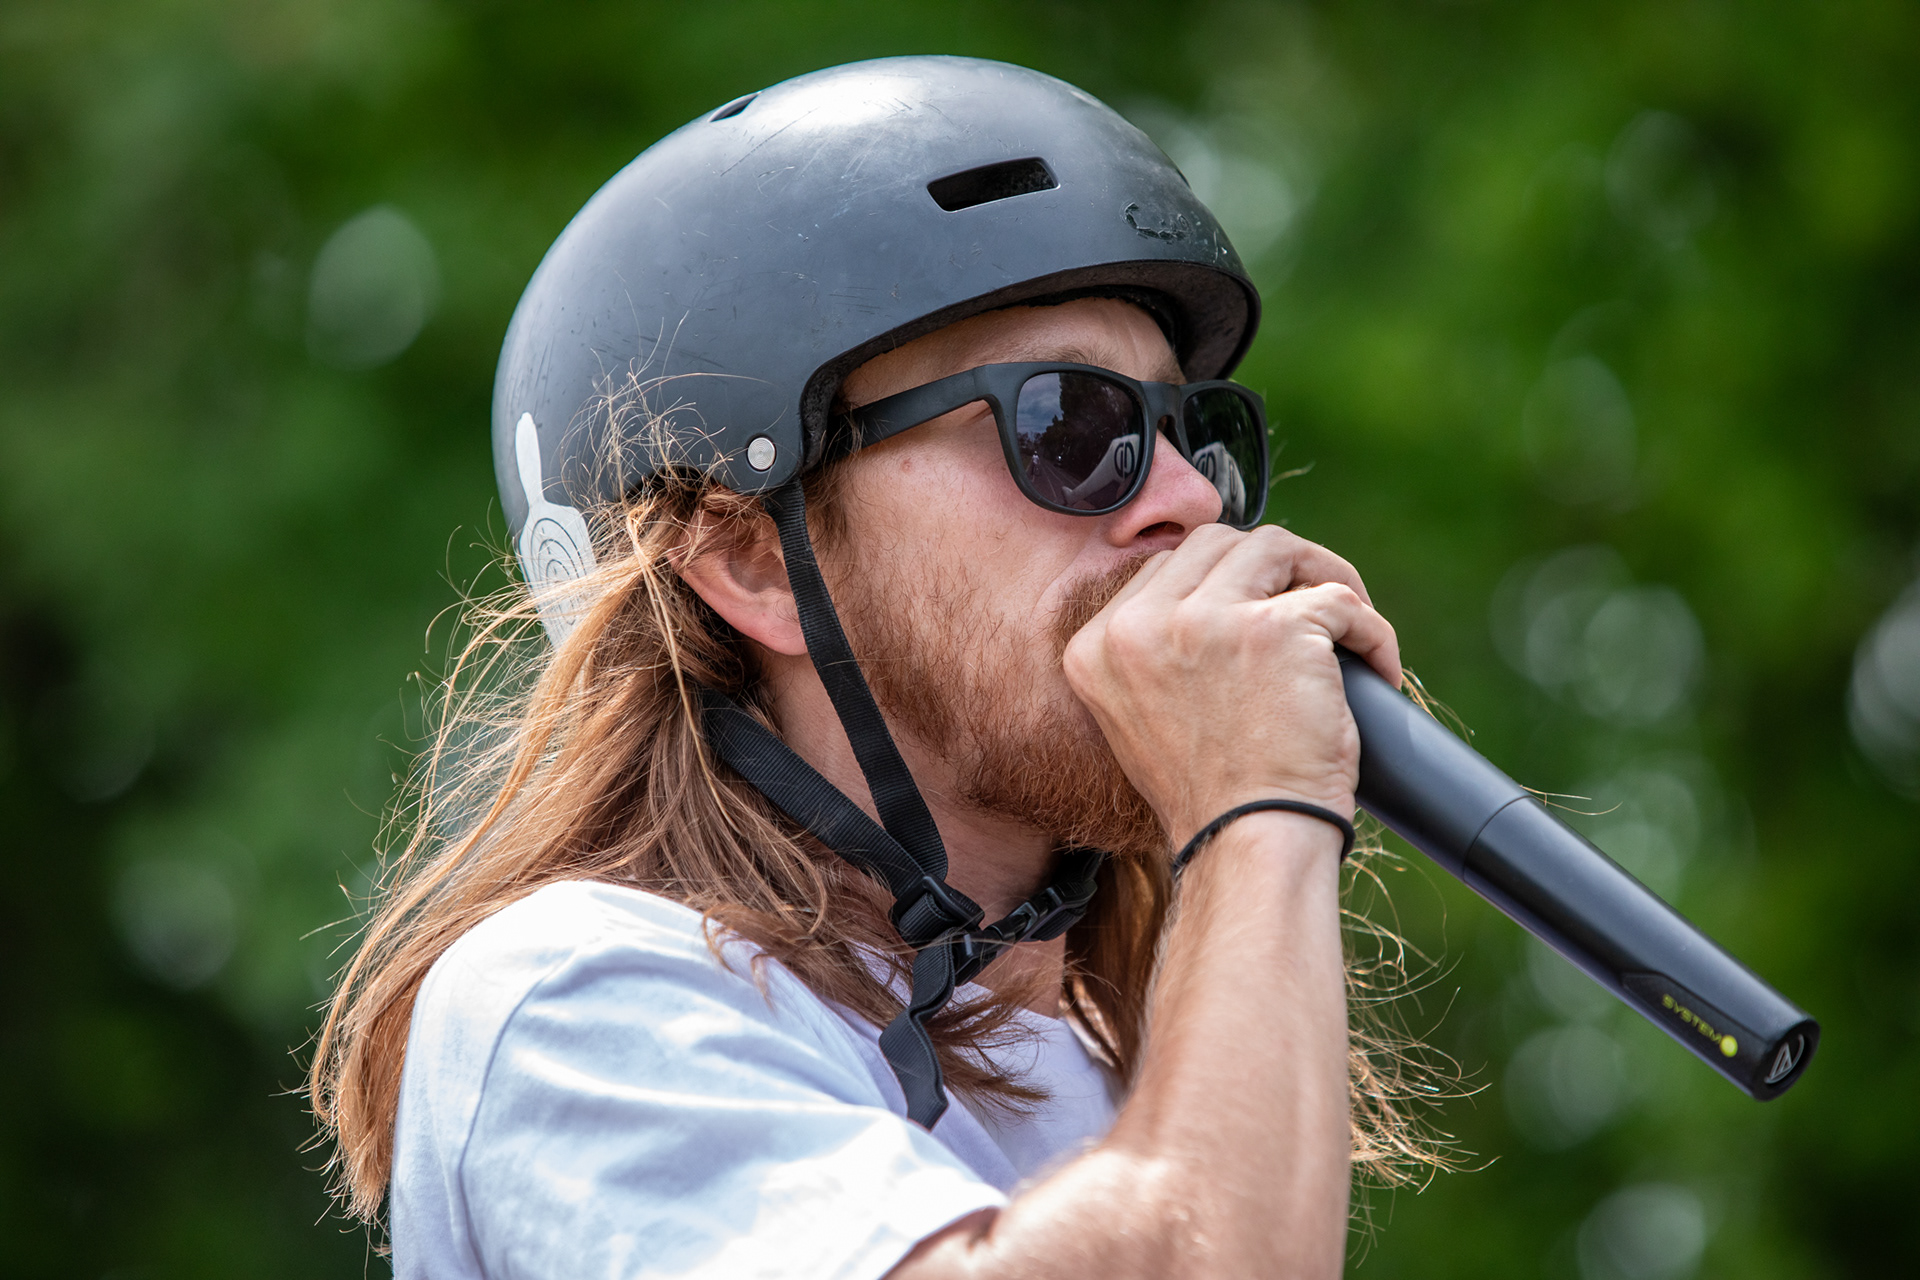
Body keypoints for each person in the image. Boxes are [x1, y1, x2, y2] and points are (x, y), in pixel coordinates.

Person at [310, 55, 1443, 1279]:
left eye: (1188, 430)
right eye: (1069, 421)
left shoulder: (1149, 1073)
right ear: (751, 561)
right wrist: (1255, 814)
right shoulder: (578, 995)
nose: (1188, 499)